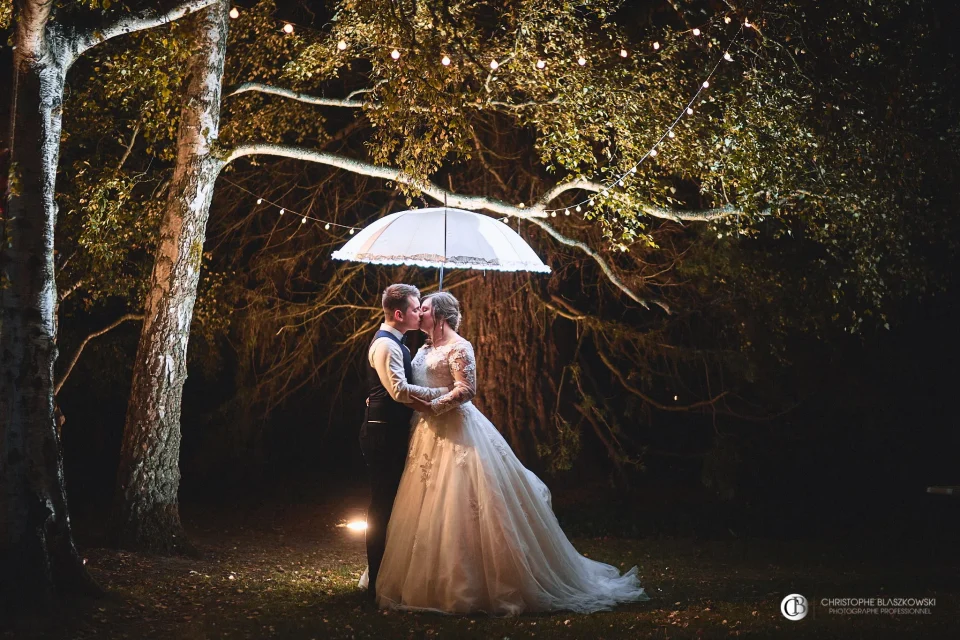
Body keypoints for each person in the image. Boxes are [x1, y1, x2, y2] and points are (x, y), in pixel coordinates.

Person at [371, 291, 651, 615]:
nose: (419, 313)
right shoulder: (422, 348)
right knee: (423, 505)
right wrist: (422, 404)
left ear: (442, 316)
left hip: (458, 431)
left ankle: (473, 584)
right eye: (418, 308)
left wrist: (433, 404)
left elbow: (467, 389)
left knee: (464, 504)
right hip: (426, 435)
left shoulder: (460, 347)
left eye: (426, 309)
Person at [357, 284, 447, 602]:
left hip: (390, 431)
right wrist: (440, 394)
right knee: (381, 507)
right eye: (414, 308)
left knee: (392, 506)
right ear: (399, 314)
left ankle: (388, 575)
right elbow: (398, 391)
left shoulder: (400, 344)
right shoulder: (387, 346)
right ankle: (376, 582)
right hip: (381, 435)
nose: (418, 312)